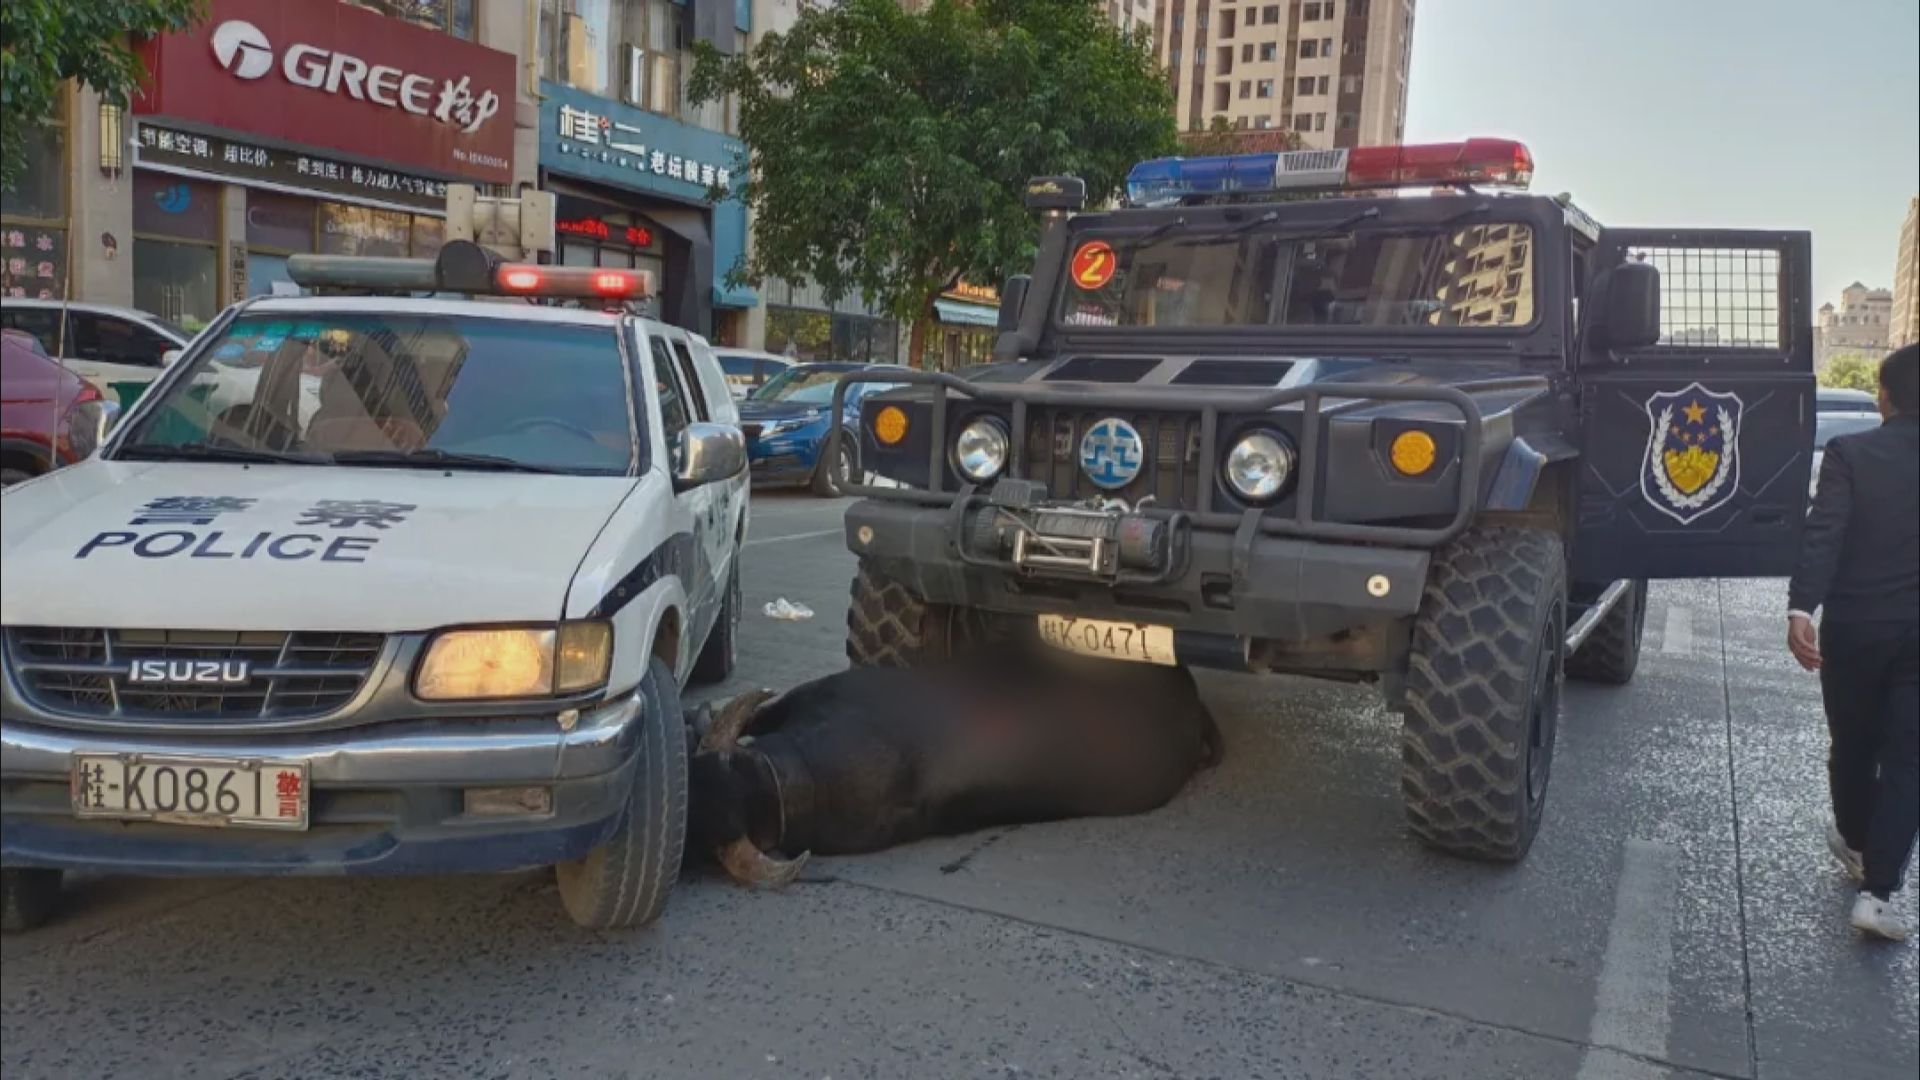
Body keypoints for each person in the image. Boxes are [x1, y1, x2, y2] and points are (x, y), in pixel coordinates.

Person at [1787, 343, 1919, 941]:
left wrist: (1800, 608)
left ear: (1884, 397)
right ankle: (1879, 894)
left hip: (1857, 627)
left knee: (1854, 743)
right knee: (1910, 760)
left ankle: (1861, 847)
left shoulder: (1850, 454)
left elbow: (1824, 534)